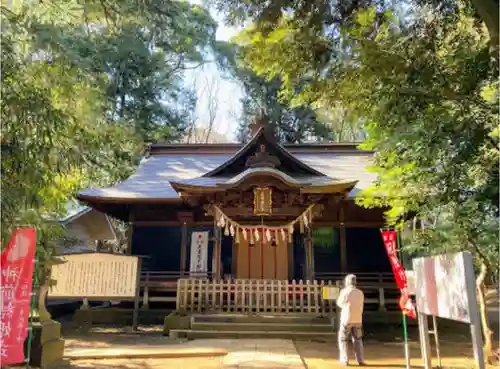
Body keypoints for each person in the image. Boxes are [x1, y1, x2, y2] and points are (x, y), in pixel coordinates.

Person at [336, 274, 365, 366]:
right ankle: (360, 360)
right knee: (358, 340)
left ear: (347, 282)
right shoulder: (360, 292)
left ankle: (345, 359)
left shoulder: (345, 292)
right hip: (358, 319)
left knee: (343, 339)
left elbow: (340, 303)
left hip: (346, 319)